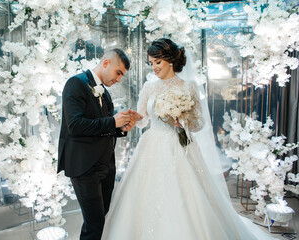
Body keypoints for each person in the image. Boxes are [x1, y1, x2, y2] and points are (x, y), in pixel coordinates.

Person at [102, 39, 277, 240]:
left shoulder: (189, 86)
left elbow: (199, 123)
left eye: (157, 62)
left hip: (179, 144)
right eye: (151, 63)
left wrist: (183, 120)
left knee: (185, 192)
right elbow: (143, 119)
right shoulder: (149, 86)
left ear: (169, 60)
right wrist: (133, 117)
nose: (154, 67)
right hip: (152, 144)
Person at [57, 48, 143, 240]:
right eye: (118, 72)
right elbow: (75, 126)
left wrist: (122, 128)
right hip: (84, 167)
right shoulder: (75, 84)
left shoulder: (105, 92)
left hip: (106, 166)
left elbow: (101, 127)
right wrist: (113, 122)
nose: (119, 79)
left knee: (99, 219)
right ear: (106, 63)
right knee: (94, 223)